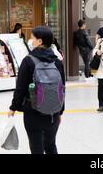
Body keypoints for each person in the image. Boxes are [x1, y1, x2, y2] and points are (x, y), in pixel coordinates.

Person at [9, 26, 65, 154]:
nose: (30, 40)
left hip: (33, 111)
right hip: (53, 112)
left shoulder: (28, 61)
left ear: (40, 41)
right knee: (51, 145)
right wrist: (60, 111)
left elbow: (21, 88)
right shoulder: (57, 62)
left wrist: (13, 107)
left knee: (36, 147)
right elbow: (62, 89)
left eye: (32, 38)